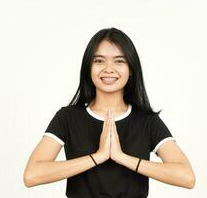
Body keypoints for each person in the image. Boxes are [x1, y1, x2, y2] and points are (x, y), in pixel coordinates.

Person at [23, 27, 196, 197]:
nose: (108, 68)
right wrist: (98, 156)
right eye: (99, 61)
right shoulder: (67, 118)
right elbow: (32, 175)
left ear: (131, 70)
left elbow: (186, 177)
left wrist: (121, 157)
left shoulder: (147, 121)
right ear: (88, 68)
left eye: (119, 61)